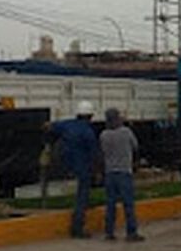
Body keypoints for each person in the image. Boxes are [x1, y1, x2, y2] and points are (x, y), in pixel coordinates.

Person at [50, 100, 98, 238]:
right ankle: (77, 228)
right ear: (90, 116)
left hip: (66, 166)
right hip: (82, 169)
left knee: (78, 197)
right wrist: (97, 171)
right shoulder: (88, 132)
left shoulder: (67, 125)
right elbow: (94, 155)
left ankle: (78, 224)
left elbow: (48, 126)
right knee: (82, 198)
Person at [100, 108, 144, 242]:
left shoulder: (104, 135)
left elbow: (102, 152)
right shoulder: (126, 132)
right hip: (124, 172)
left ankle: (109, 232)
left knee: (110, 203)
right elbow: (135, 146)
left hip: (110, 173)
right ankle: (131, 232)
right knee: (128, 204)